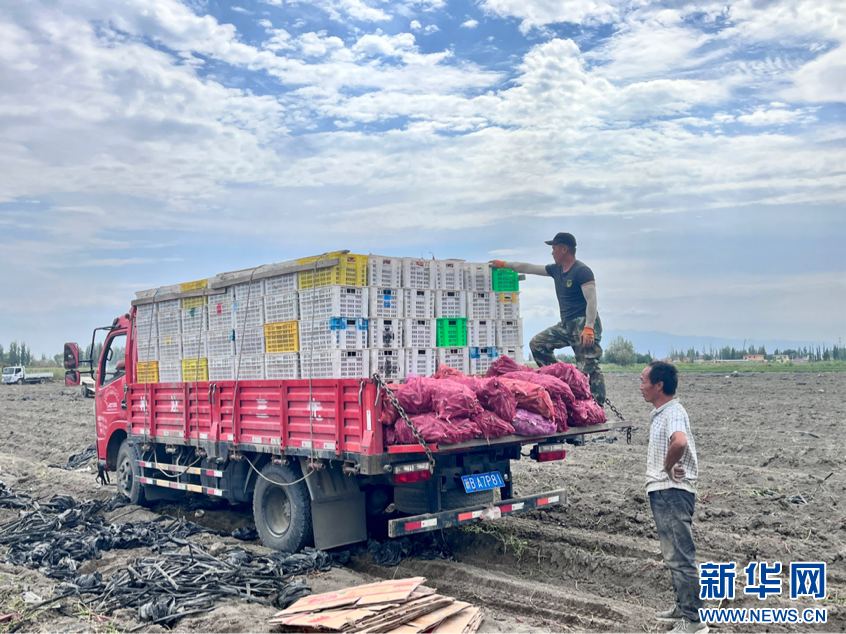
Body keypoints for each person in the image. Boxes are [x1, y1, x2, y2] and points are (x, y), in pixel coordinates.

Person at [491, 232, 605, 404]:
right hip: (566, 325)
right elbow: (529, 268)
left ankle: (597, 406)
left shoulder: (582, 271)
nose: (552, 252)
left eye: (554, 248)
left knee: (589, 367)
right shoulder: (556, 270)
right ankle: (561, 382)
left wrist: (589, 328)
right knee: (538, 345)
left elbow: (592, 301)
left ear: (564, 249)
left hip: (583, 325)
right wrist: (504, 264)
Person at [640, 361, 707, 634]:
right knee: (673, 554)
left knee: (680, 556)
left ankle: (694, 621)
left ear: (659, 385)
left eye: (643, 381)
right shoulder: (663, 413)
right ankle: (683, 606)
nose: (640, 386)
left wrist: (667, 467)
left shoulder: (673, 412)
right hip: (666, 491)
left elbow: (679, 441)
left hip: (672, 492)